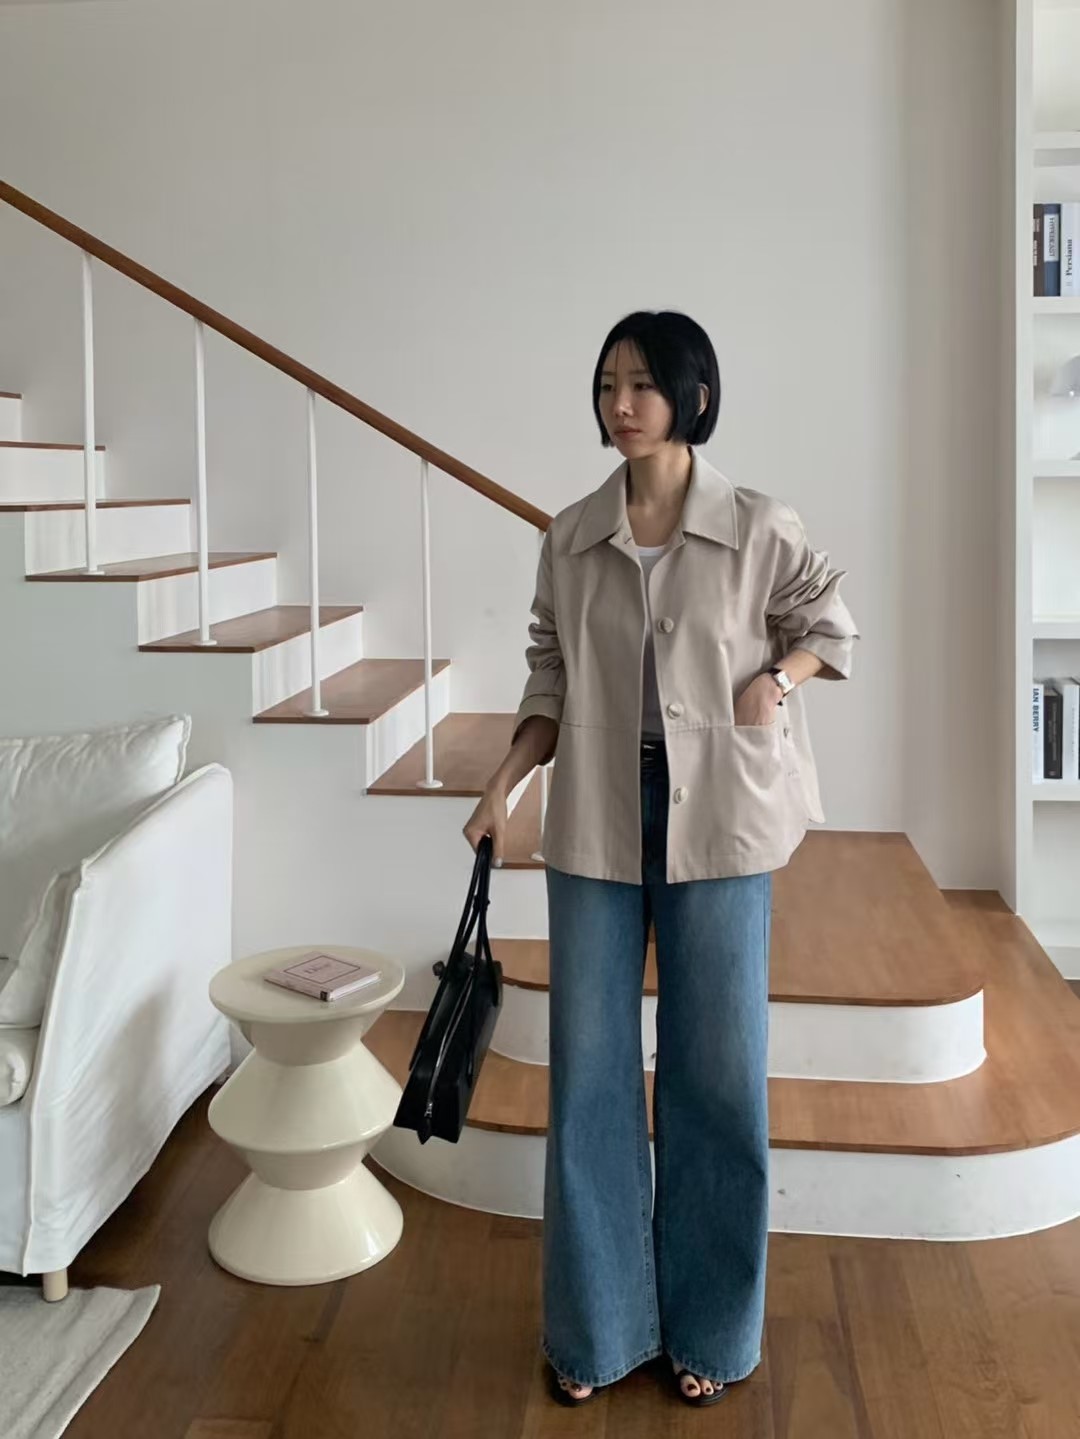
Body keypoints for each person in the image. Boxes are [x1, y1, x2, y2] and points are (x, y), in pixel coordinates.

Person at [463, 310, 858, 1409]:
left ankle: (713, 1330)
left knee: (717, 1073)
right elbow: (548, 670)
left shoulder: (758, 523)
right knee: (589, 1074)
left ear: (693, 395)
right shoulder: (570, 535)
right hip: (596, 811)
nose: (622, 402)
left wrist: (775, 682)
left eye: (642, 383)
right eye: (608, 383)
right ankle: (597, 1331)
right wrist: (505, 782)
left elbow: (830, 622)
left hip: (723, 810)